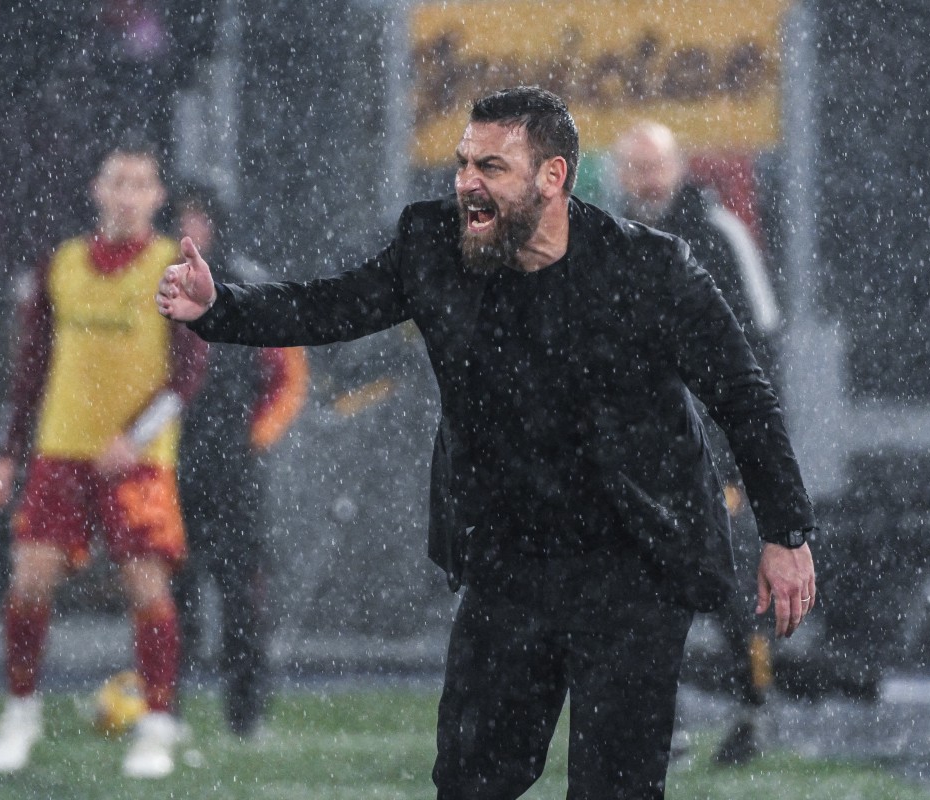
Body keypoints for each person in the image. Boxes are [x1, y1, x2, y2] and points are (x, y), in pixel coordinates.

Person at [157, 86, 818, 800]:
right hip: (508, 557)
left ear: (553, 177)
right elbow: (332, 305)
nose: (468, 183)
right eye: (463, 164)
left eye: (492, 168)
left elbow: (744, 394)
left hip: (632, 557)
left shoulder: (652, 269)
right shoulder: (434, 247)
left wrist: (785, 530)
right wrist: (219, 307)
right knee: (471, 781)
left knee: (616, 786)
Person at [0, 139, 206, 779]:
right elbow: (30, 369)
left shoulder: (173, 266)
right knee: (29, 578)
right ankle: (21, 712)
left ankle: (158, 724)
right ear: (97, 190)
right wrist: (6, 453)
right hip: (62, 450)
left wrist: (135, 436)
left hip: (138, 461)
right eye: (117, 181)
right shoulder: (63, 264)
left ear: (157, 198)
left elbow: (189, 374)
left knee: (146, 584)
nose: (127, 194)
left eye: (140, 183)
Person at [614, 120, 785, 767]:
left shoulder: (719, 236)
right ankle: (664, 723)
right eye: (632, 168)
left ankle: (753, 705)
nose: (645, 181)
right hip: (634, 455)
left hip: (708, 451)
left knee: (723, 588)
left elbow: (758, 352)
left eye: (653, 166)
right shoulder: (606, 242)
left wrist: (748, 455)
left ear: (679, 167)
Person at [170, 183, 309, 737]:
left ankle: (245, 714)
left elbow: (287, 376)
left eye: (199, 219)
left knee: (241, 593)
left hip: (233, 467)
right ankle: (164, 709)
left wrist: (250, 437)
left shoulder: (246, 285)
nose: (190, 231)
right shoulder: (154, 288)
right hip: (168, 462)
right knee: (169, 593)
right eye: (181, 220)